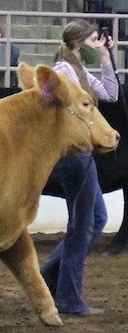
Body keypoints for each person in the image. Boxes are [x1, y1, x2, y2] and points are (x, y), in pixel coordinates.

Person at [40, 20, 118, 316]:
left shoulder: (77, 70)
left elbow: (110, 94)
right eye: (94, 41)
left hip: (79, 152)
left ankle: (49, 275)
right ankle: (68, 297)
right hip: (72, 153)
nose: (97, 45)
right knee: (85, 223)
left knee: (94, 219)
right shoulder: (63, 72)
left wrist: (106, 60)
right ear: (79, 43)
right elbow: (47, 99)